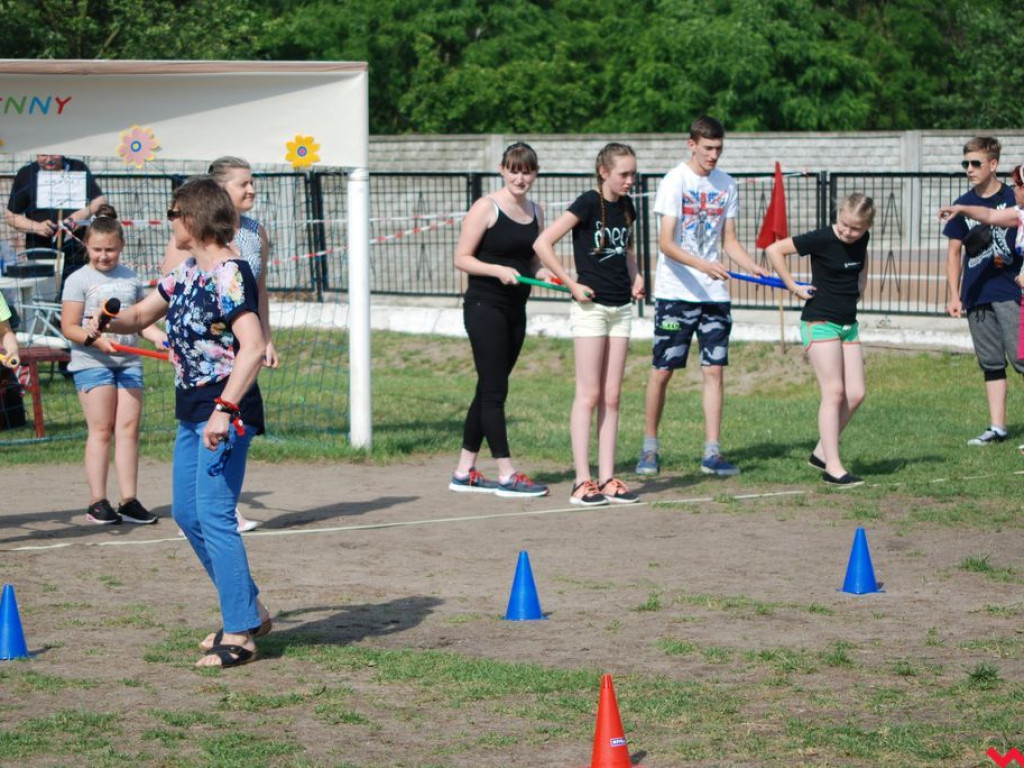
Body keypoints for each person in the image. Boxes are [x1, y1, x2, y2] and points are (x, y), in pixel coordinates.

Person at [89, 176, 271, 668]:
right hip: (193, 409)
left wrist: (225, 409)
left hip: (224, 409)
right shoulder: (187, 272)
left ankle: (240, 633)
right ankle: (249, 607)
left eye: (173, 214)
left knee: (214, 516)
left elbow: (252, 348)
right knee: (189, 517)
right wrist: (105, 318)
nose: (169, 222)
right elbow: (141, 315)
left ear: (192, 218)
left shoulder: (230, 273)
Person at [635, 116, 769, 478]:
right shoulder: (674, 181)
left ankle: (712, 452)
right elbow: (666, 243)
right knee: (662, 371)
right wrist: (702, 265)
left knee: (714, 371)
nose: (713, 155)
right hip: (675, 294)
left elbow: (729, 242)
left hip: (714, 297)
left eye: (719, 149)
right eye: (708, 148)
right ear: (691, 144)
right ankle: (649, 447)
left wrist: (752, 266)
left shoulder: (727, 185)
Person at [162, 157, 278, 532]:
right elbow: (170, 293)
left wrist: (264, 336)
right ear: (216, 194)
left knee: (232, 421)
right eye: (242, 184)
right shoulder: (192, 238)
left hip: (239, 348)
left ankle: (222, 508)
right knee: (200, 507)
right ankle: (218, 510)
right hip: (203, 362)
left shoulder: (254, 232)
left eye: (252, 182)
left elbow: (258, 290)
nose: (251, 190)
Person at [534, 143, 645, 506]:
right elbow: (543, 243)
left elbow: (624, 249)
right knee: (589, 394)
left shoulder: (627, 207)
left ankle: (608, 477)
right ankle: (582, 481)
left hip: (621, 308)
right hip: (591, 308)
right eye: (623, 174)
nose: (630, 180)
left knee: (612, 396)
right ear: (604, 172)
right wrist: (571, 283)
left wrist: (636, 275)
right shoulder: (586, 203)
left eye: (633, 174)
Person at [449, 142, 551, 498]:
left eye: (526, 171)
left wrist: (548, 274)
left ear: (535, 173)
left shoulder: (537, 211)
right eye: (513, 169)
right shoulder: (486, 207)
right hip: (484, 307)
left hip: (515, 310)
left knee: (488, 388)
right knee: (495, 392)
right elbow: (462, 258)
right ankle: (507, 475)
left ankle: (464, 471)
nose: (519, 177)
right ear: (502, 169)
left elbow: (533, 259)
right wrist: (497, 271)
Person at [60, 205, 166, 524]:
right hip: (92, 362)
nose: (104, 256)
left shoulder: (130, 278)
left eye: (111, 250)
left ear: (121, 247)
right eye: (97, 250)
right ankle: (97, 501)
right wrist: (96, 340)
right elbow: (69, 326)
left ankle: (129, 500)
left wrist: (157, 336)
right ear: (86, 247)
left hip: (129, 361)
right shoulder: (78, 279)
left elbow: (140, 320)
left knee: (129, 430)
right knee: (101, 430)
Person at [766, 194, 875, 486]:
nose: (848, 232)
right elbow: (774, 249)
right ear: (837, 216)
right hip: (820, 322)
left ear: (866, 227)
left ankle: (819, 453)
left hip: (848, 324)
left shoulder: (862, 240)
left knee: (856, 393)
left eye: (856, 229)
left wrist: (861, 284)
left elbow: (862, 263)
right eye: (844, 224)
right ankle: (833, 467)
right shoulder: (822, 238)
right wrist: (792, 286)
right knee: (835, 392)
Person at [941, 137, 1021, 447]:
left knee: (1021, 358)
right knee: (990, 362)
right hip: (976, 293)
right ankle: (997, 428)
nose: (969, 169)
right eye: (966, 164)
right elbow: (953, 254)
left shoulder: (1015, 198)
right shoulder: (962, 202)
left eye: (976, 163)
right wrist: (954, 294)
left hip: (1009, 290)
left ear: (993, 165)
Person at [6, 153, 108, 285]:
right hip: (41, 251)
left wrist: (79, 216)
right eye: (43, 155)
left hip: (76, 249)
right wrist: (37, 227)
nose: (48, 160)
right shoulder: (26, 174)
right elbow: (11, 216)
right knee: (45, 295)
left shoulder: (77, 167)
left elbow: (99, 201)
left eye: (53, 154)